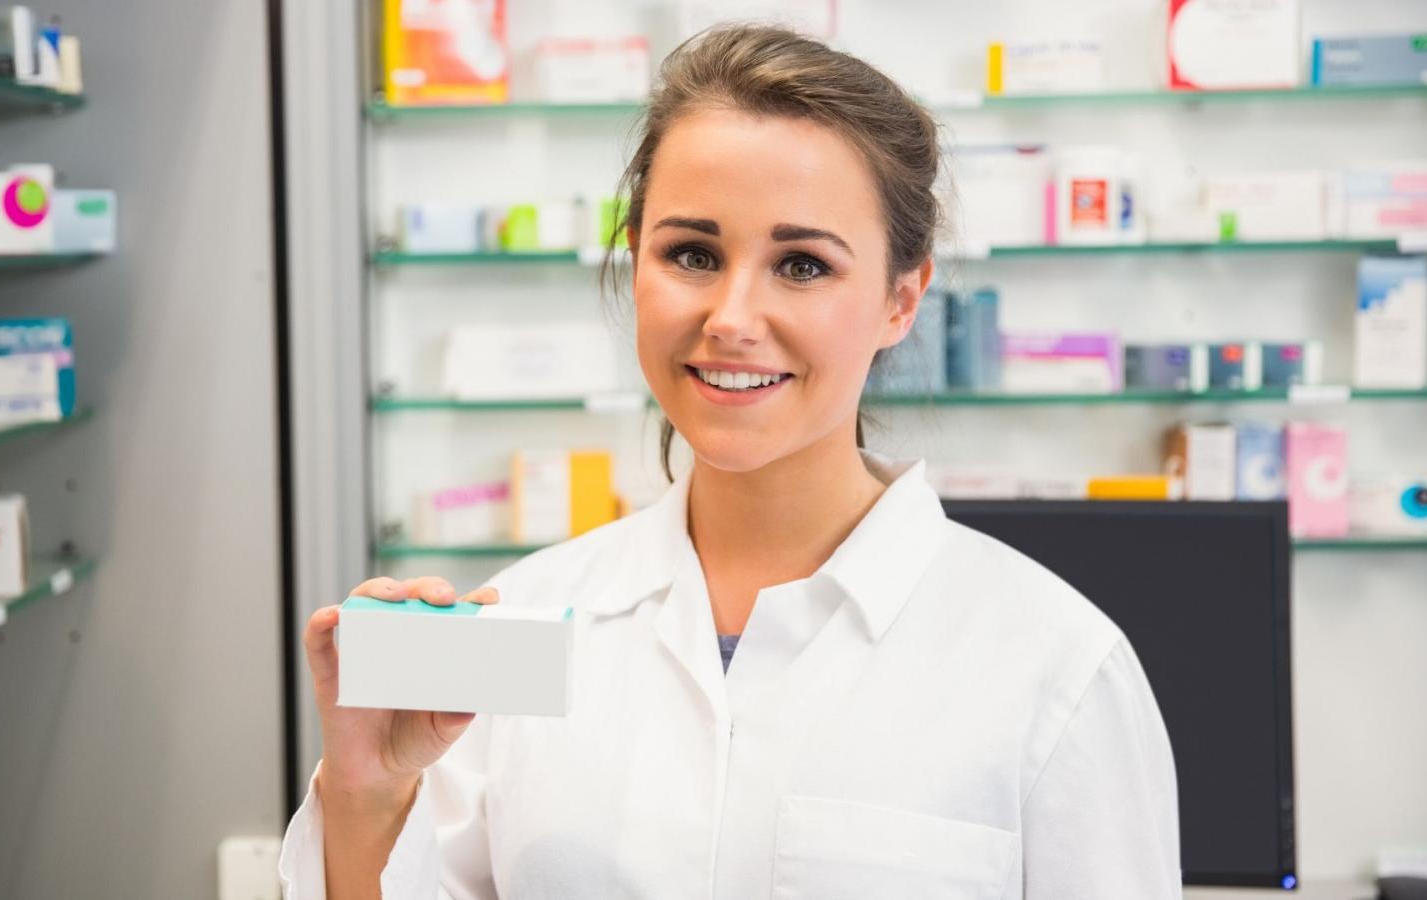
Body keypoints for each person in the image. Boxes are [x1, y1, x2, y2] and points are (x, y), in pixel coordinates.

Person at [281, 24, 1180, 900]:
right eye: (693, 254)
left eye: (800, 265)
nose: (732, 317)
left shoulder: (1054, 669)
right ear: (636, 263)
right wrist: (366, 791)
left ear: (902, 300)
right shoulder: (515, 632)